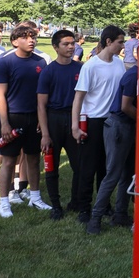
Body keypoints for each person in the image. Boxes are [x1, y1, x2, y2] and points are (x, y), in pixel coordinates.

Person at [0, 25, 53, 217]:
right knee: (9, 161)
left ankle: (35, 197)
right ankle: (4, 202)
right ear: (14, 41)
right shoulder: (5, 63)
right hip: (13, 117)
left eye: (33, 37)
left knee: (34, 158)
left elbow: (43, 95)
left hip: (34, 118)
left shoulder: (41, 62)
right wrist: (5, 123)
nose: (31, 41)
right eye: (26, 38)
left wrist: (41, 120)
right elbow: (0, 95)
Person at [71, 25, 126, 224]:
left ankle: (104, 206)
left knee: (107, 167)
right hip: (93, 121)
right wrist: (75, 126)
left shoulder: (119, 64)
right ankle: (84, 209)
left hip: (113, 122)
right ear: (109, 42)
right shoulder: (91, 66)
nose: (123, 45)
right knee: (88, 167)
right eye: (120, 41)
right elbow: (78, 97)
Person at [87, 45, 139, 234]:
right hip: (119, 125)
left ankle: (120, 214)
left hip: (131, 126)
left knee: (129, 173)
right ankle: (95, 218)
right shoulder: (134, 75)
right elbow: (126, 106)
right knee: (113, 174)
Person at [37, 29, 83, 220]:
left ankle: (76, 201)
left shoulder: (81, 68)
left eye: (72, 43)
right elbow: (41, 104)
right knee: (51, 166)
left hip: (74, 119)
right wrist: (45, 134)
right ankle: (56, 205)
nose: (71, 47)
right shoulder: (49, 71)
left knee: (79, 165)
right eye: (66, 44)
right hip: (54, 119)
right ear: (55, 47)